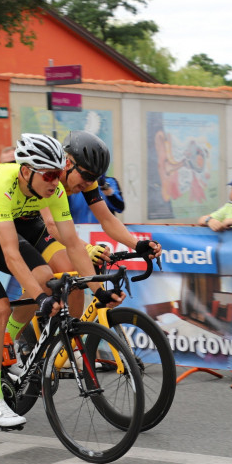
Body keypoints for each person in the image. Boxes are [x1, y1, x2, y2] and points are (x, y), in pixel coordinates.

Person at [0, 133, 115, 429]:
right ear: (26, 171)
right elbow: (11, 255)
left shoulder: (53, 191)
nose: (54, 182)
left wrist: (100, 291)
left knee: (45, 276)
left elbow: (72, 244)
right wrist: (39, 298)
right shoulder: (2, 186)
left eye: (58, 174)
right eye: (48, 175)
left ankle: (8, 336)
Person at [12, 130, 157, 326]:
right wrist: (87, 249)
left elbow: (107, 219)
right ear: (68, 163)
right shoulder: (48, 176)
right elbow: (51, 224)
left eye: (95, 177)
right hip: (14, 224)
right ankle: (12, 335)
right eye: (87, 175)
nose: (89, 182)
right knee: (58, 274)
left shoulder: (86, 182)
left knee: (77, 279)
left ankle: (70, 339)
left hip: (37, 226)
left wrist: (138, 244)